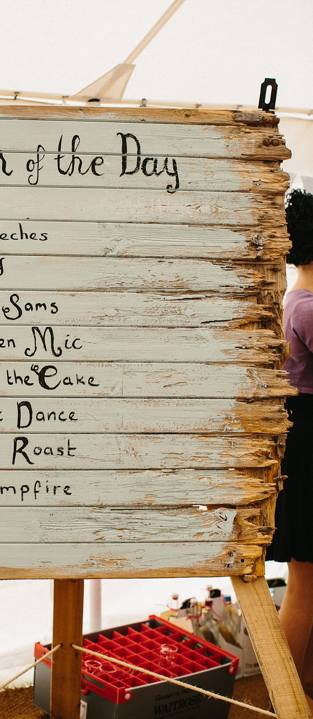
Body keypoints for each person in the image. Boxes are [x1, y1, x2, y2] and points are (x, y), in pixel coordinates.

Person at [271, 187, 313, 705]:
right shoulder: (306, 307)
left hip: (301, 443)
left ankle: (301, 686)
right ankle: (286, 694)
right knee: (303, 583)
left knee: (306, 581)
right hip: (307, 447)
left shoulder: (295, 299)